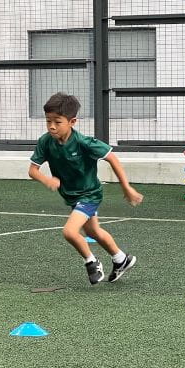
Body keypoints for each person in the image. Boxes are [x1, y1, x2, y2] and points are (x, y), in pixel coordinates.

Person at [28, 93, 144, 285]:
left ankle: (91, 262)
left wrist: (127, 188)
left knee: (70, 232)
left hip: (90, 194)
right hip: (72, 196)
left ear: (72, 121)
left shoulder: (84, 143)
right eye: (48, 121)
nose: (52, 126)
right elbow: (32, 170)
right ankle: (121, 259)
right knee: (93, 232)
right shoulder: (45, 141)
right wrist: (46, 180)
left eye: (57, 122)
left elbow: (112, 158)